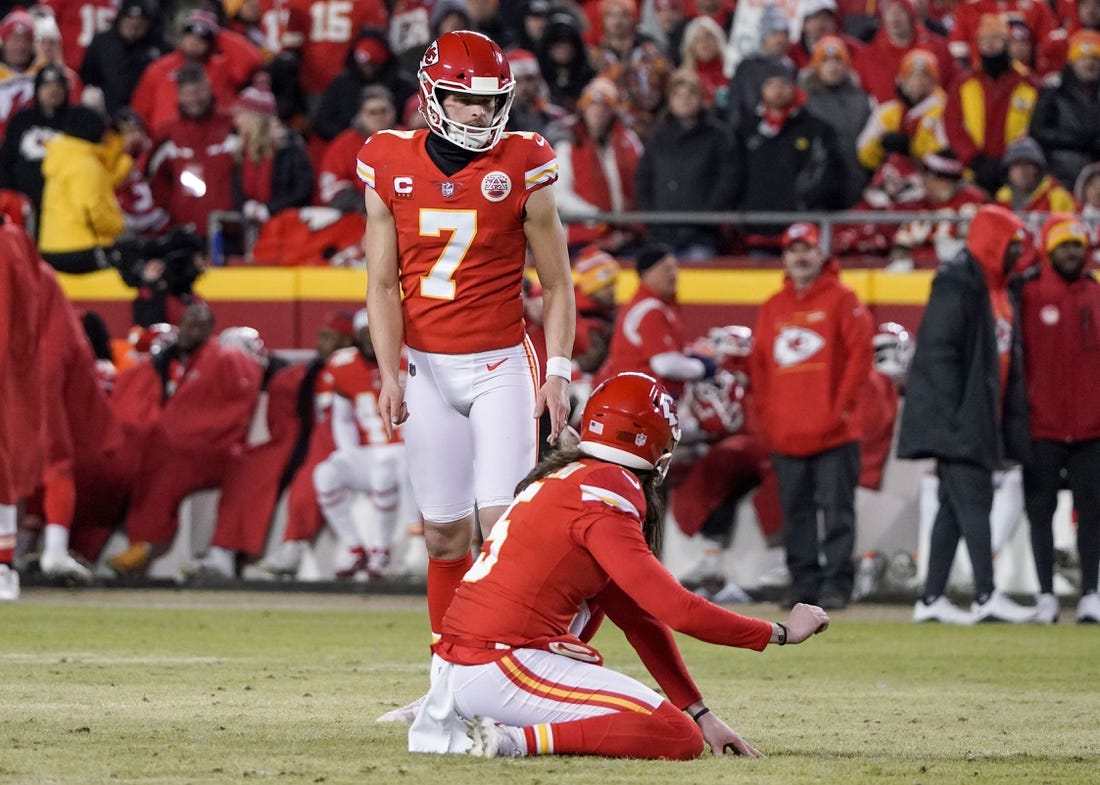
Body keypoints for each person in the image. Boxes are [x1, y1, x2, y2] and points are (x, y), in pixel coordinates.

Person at [407, 372, 830, 759]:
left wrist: (701, 713)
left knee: (678, 723)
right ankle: (509, 741)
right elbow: (677, 610)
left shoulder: (572, 476)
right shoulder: (610, 489)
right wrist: (779, 633)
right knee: (674, 735)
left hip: (472, 667)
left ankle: (487, 722)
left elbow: (639, 617)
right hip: (503, 665)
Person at [359, 31, 575, 655]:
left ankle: (509, 663)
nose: (481, 113)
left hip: (499, 365)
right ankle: (447, 677)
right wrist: (389, 373)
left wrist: (556, 370)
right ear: (432, 95)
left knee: (504, 531)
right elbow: (380, 284)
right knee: (443, 537)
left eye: (491, 100)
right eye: (464, 99)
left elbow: (557, 284)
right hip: (425, 368)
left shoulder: (523, 161)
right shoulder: (387, 161)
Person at [899, 204, 1037, 625]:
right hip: (959, 416)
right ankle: (986, 594)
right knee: (974, 499)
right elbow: (939, 353)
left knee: (951, 507)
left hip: (978, 414)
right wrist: (957, 416)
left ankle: (931, 598)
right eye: (1011, 244)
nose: (1017, 254)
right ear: (992, 241)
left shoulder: (999, 287)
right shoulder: (957, 283)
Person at [750, 222, 873, 609]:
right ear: (785, 258)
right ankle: (803, 585)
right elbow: (760, 367)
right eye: (793, 250)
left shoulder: (843, 299)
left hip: (835, 434)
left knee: (838, 515)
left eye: (807, 249)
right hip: (787, 434)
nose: (800, 257)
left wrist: (839, 410)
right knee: (797, 515)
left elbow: (860, 356)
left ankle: (837, 585)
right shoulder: (773, 307)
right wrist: (770, 418)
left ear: (821, 254)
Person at [1018, 215, 1100, 624]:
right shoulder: (1028, 293)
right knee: (1039, 512)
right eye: (1064, 244)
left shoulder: (1096, 293)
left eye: (1077, 245)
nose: (1071, 251)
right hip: (1043, 426)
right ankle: (1046, 595)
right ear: (1048, 248)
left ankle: (1090, 594)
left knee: (1092, 513)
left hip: (1091, 427)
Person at [634, 68, 735, 259]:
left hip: (701, 236)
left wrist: (708, 215)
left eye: (691, 93)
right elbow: (643, 179)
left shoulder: (719, 136)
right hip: (661, 235)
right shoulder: (658, 137)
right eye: (678, 94)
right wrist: (651, 217)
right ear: (670, 99)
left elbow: (729, 179)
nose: (684, 99)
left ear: (701, 97)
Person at [596, 243, 715, 395]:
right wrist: (702, 367)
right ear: (647, 273)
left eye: (675, 268)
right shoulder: (650, 310)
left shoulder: (649, 306)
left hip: (632, 392)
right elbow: (664, 364)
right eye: (666, 269)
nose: (673, 274)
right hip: (638, 396)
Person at [943, 14, 1039, 194]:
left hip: (1017, 172)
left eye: (995, 38)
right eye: (984, 39)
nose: (989, 44)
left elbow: (1036, 125)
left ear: (1007, 41)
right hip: (973, 171)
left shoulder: (1028, 83)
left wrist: (1014, 160)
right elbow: (953, 125)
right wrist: (973, 159)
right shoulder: (963, 83)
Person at [1028, 29, 1100, 190]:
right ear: (1072, 61)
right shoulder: (1052, 88)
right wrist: (1075, 140)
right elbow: (1037, 132)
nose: (1089, 64)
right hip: (1058, 174)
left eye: (1095, 59)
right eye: (1083, 58)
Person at [993, 136, 1078, 212]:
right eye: (1017, 165)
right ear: (1008, 172)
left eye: (1028, 164)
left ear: (1038, 170)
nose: (1022, 170)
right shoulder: (1001, 199)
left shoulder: (1058, 198)